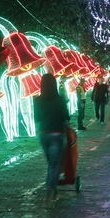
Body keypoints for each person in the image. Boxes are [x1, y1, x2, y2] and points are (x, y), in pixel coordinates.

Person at [34, 73, 70, 206]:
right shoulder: (59, 99)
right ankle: (51, 190)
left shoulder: (37, 100)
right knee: (55, 164)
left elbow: (36, 118)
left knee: (51, 163)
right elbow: (66, 116)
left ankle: (51, 187)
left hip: (44, 134)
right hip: (57, 133)